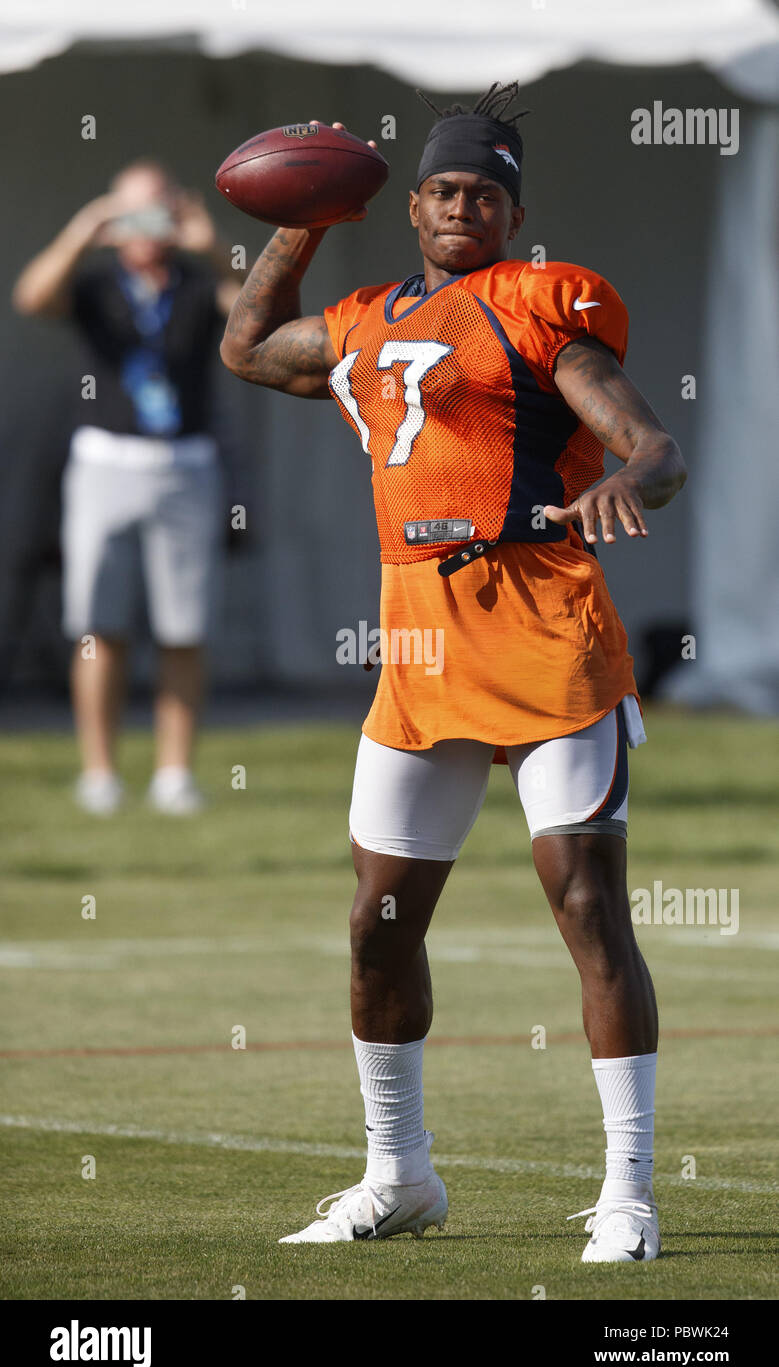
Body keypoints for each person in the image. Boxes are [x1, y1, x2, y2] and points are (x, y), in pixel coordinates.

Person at [220, 83, 686, 1261]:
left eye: (483, 191)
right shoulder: (367, 315)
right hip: (418, 639)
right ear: (412, 202)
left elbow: (648, 439)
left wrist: (628, 477)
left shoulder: (540, 305)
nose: (458, 205)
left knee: (586, 906)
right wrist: (307, 215)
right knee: (378, 927)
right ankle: (399, 1176)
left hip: (543, 623)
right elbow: (244, 344)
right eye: (440, 188)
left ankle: (628, 1195)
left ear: (511, 214)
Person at [12, 161, 241, 814]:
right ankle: (100, 771)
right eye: (132, 213)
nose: (145, 229)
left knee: (184, 625)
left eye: (156, 212)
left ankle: (174, 773)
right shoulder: (93, 282)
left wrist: (213, 243)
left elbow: (261, 309)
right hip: (105, 461)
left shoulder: (199, 282)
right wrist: (82, 232)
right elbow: (31, 297)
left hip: (185, 463)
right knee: (98, 623)